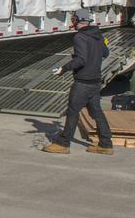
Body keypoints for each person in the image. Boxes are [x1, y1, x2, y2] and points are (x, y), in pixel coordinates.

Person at [42, 9, 114, 155]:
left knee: (72, 112)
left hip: (83, 82)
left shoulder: (80, 37)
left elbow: (81, 60)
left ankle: (63, 144)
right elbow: (105, 53)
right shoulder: (98, 35)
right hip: (95, 81)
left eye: (73, 19)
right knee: (97, 112)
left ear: (77, 20)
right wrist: (100, 46)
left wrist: (63, 68)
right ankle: (106, 144)